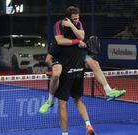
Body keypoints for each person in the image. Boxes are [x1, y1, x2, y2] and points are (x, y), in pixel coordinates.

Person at [39, 6, 126, 115]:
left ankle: (109, 91)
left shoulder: (78, 24)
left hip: (76, 54)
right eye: (74, 19)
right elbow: (60, 41)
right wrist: (77, 41)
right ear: (67, 18)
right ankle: (50, 100)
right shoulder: (58, 25)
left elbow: (81, 36)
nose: (77, 20)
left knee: (95, 64)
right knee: (56, 74)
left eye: (77, 18)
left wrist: (72, 26)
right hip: (61, 54)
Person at [42, 6, 96, 135]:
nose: (76, 22)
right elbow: (49, 59)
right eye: (74, 20)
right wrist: (53, 68)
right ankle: (88, 125)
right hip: (74, 74)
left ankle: (66, 133)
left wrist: (53, 69)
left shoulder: (67, 41)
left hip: (68, 76)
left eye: (77, 20)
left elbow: (48, 59)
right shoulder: (70, 41)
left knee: (63, 105)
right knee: (78, 100)